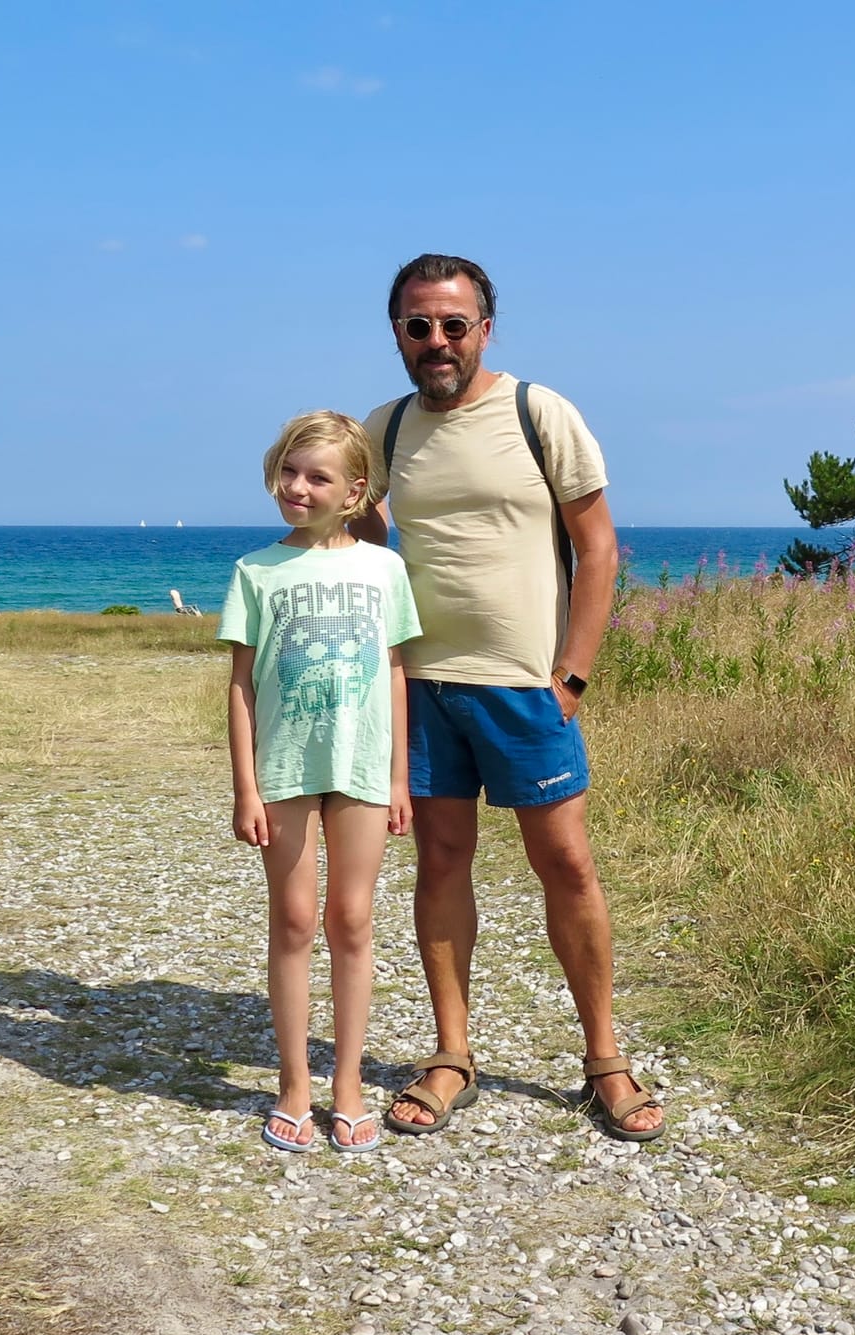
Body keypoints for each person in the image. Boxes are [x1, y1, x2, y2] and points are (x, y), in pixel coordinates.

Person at [353, 254, 665, 1142]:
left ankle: (605, 1058)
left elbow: (597, 548)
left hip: (525, 688)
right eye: (419, 326)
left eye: (454, 324)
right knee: (440, 863)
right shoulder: (384, 428)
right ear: (399, 334)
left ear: (486, 328)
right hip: (423, 685)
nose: (437, 341)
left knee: (564, 864)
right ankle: (452, 1056)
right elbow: (369, 534)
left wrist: (572, 673)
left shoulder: (540, 413)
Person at [219, 411, 421, 1153]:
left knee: (354, 921)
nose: (297, 487)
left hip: (362, 765)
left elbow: (397, 673)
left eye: (317, 476)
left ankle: (348, 1086)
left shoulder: (385, 570)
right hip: (285, 768)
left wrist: (399, 775)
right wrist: (246, 786)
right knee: (296, 920)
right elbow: (241, 686)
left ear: (356, 491)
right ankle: (294, 1083)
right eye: (289, 471)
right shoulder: (256, 571)